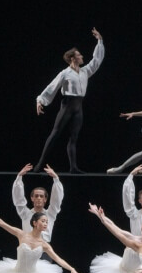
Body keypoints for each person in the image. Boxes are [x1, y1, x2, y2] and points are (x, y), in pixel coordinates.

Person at [35, 27, 105, 173]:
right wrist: (40, 100)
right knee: (55, 134)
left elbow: (96, 61)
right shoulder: (65, 73)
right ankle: (40, 164)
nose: (82, 57)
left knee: (74, 138)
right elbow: (52, 86)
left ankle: (73, 167)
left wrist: (99, 41)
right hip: (67, 105)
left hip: (79, 107)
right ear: (73, 58)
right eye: (79, 55)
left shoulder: (85, 71)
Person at [12, 162, 64, 241]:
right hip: (28, 248)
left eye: (41, 196)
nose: (39, 198)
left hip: (44, 249)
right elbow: (18, 200)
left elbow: (56, 201)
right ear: (32, 198)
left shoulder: (50, 214)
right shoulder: (25, 213)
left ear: (45, 199)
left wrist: (56, 178)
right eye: (36, 196)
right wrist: (19, 177)